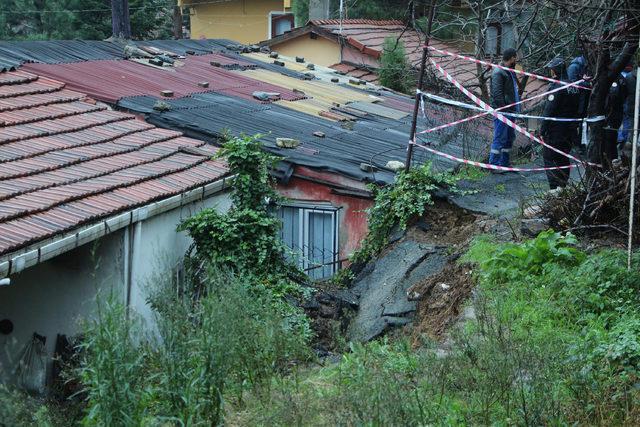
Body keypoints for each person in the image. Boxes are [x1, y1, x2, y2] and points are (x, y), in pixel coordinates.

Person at [540, 58, 579, 189]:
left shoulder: (557, 87)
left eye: (551, 68)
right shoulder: (574, 86)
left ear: (555, 70)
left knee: (550, 158)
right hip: (570, 130)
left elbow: (549, 110)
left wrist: (542, 130)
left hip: (555, 131)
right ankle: (563, 186)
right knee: (564, 158)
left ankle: (554, 187)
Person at [490, 48, 520, 168]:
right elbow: (497, 94)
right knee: (500, 137)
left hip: (511, 111)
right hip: (502, 111)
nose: (516, 60)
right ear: (512, 57)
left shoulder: (509, 71)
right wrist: (504, 109)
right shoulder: (498, 72)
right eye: (515, 57)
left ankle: (504, 163)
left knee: (509, 137)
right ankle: (494, 164)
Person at [567, 55, 591, 153]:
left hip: (584, 101)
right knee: (573, 124)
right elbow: (572, 84)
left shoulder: (585, 66)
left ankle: (581, 145)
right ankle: (575, 144)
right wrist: (587, 84)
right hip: (575, 102)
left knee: (583, 124)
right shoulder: (574, 67)